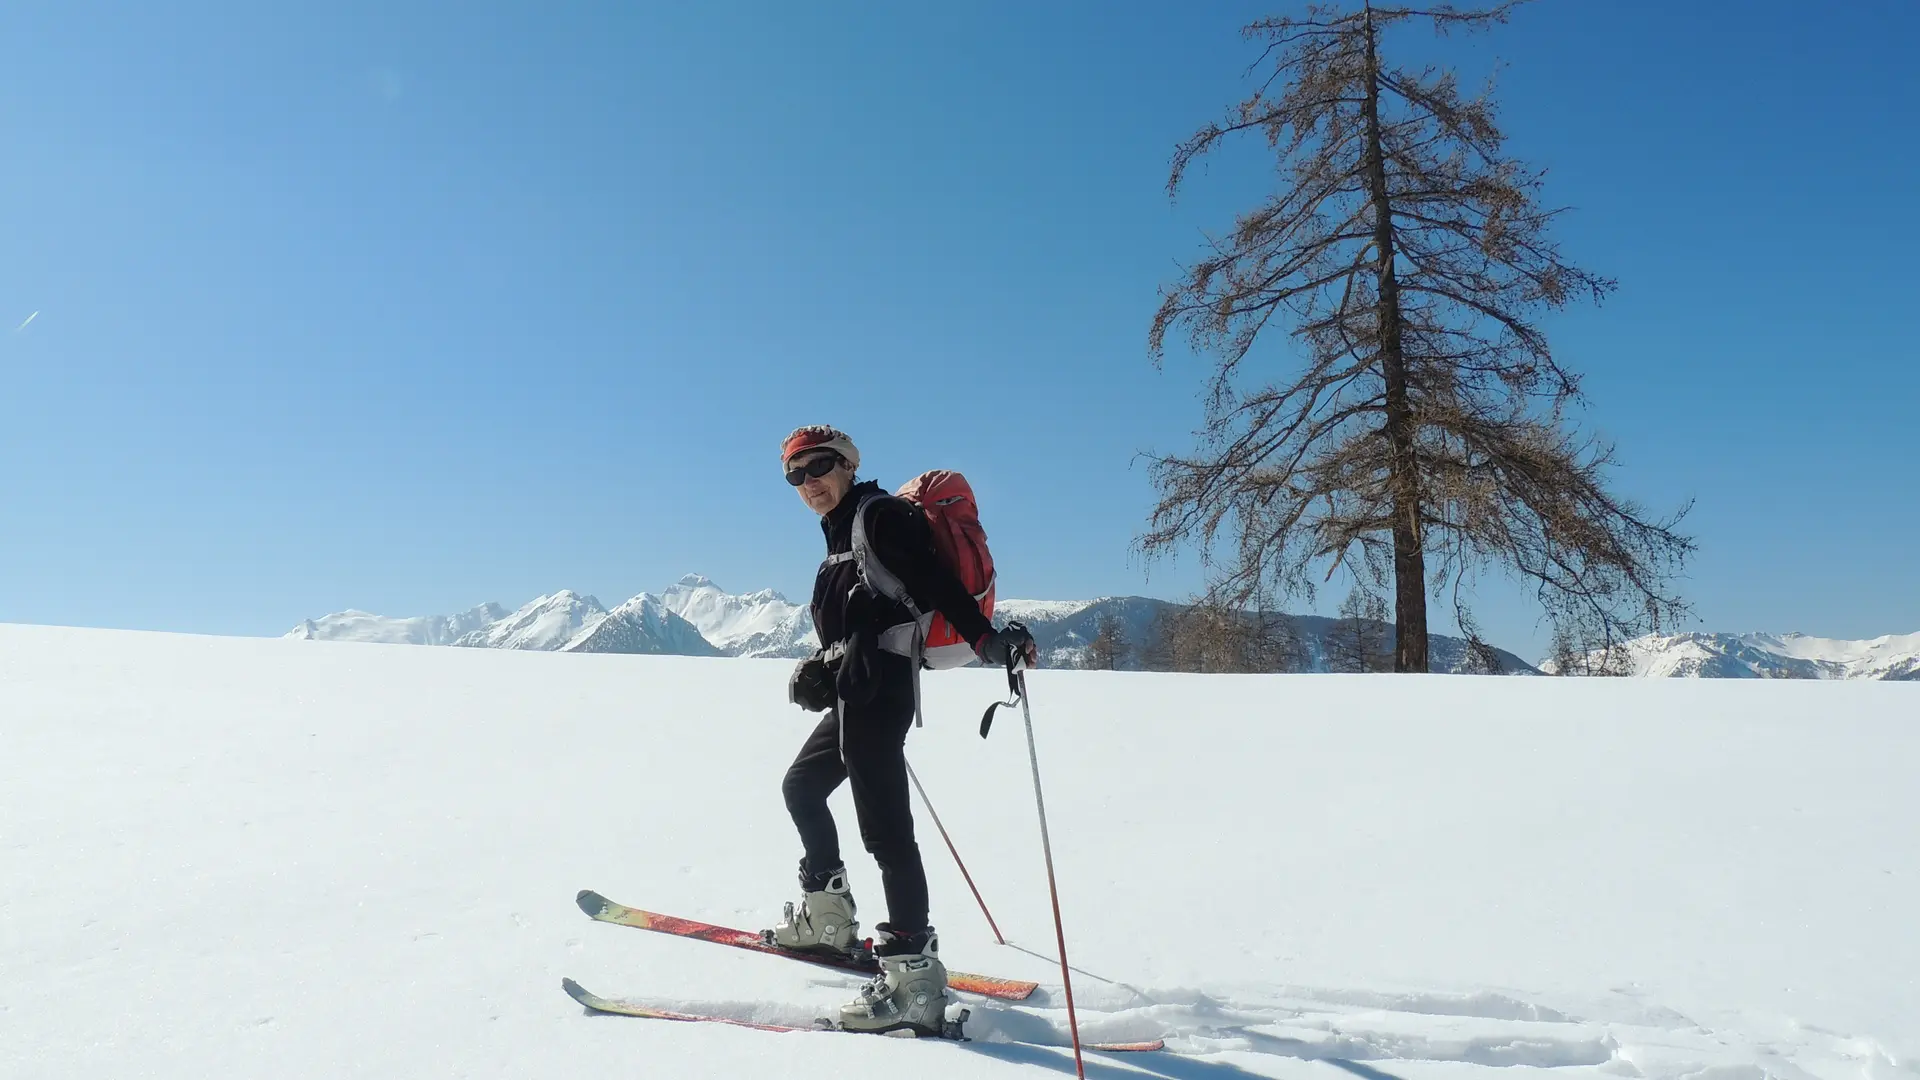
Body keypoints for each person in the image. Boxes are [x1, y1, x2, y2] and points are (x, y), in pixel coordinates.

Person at [769, 424, 1036, 1036]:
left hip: (881, 692)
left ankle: (914, 978)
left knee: (886, 834)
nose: (808, 483)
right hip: (854, 689)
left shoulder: (881, 516)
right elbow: (861, 615)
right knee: (801, 788)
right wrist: (822, 667)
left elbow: (934, 585)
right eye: (795, 474)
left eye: (818, 467)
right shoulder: (840, 535)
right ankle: (829, 920)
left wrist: (986, 639)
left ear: (846, 464)